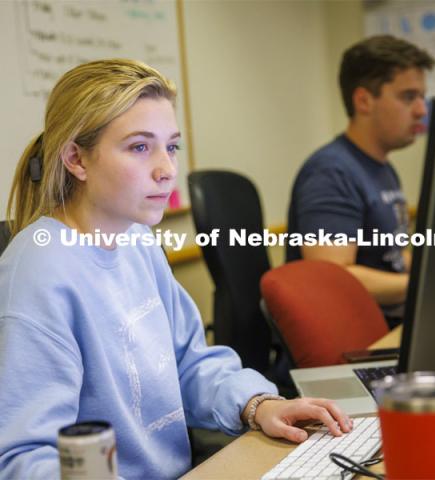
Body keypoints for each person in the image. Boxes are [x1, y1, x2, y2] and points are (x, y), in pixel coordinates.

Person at [0, 59, 352, 479]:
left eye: (171, 147)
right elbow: (23, 456)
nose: (167, 169)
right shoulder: (40, 272)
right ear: (76, 159)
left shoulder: (137, 241)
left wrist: (259, 404)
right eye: (139, 147)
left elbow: (188, 361)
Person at [286, 35, 435, 328]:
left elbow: (388, 254)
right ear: (364, 100)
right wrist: (425, 284)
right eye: (409, 97)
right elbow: (333, 277)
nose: (421, 110)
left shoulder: (382, 168)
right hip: (354, 339)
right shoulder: (331, 173)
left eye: (422, 97)